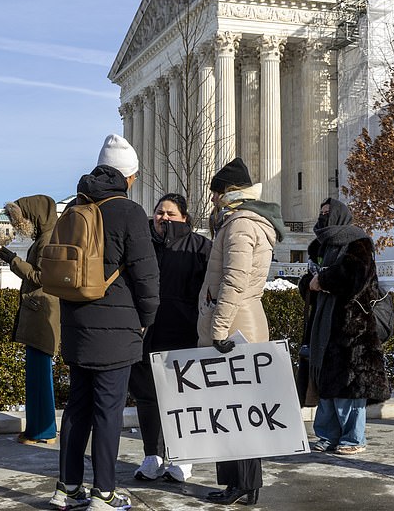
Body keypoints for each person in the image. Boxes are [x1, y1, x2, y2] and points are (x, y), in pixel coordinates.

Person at [49, 134, 159, 511]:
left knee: (77, 408)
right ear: (128, 177)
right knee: (108, 412)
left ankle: (67, 487)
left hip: (76, 322)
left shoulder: (76, 206)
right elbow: (146, 276)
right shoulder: (128, 212)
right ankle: (104, 492)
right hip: (117, 328)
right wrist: (146, 319)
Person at [197, 157, 285, 506]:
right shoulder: (243, 222)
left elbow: (235, 280)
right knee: (234, 409)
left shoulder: (240, 225)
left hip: (234, 324)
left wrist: (218, 329)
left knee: (234, 409)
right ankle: (241, 483)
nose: (214, 200)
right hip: (241, 318)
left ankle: (242, 484)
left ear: (229, 192)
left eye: (216, 193)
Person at [129, 193, 211, 483]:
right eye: (159, 212)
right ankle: (152, 455)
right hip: (147, 336)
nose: (164, 217)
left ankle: (184, 458)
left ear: (184, 218)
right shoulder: (143, 246)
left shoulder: (200, 247)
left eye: (171, 213)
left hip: (184, 335)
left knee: (184, 400)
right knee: (147, 398)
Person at [298, 198, 390, 456]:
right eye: (321, 212)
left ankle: (353, 438)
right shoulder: (318, 245)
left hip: (352, 326)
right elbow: (308, 280)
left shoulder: (357, 242)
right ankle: (327, 435)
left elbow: (356, 275)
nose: (323, 216)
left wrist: (323, 279)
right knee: (324, 382)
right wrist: (310, 284)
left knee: (350, 386)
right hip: (323, 325)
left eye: (328, 213)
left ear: (340, 215)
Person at [0, 195, 60, 445]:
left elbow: (42, 276)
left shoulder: (47, 240)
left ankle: (44, 431)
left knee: (39, 375)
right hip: (40, 310)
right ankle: (38, 429)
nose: (21, 223)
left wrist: (13, 260)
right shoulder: (47, 236)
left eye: (23, 217)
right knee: (36, 374)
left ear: (35, 215)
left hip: (41, 310)